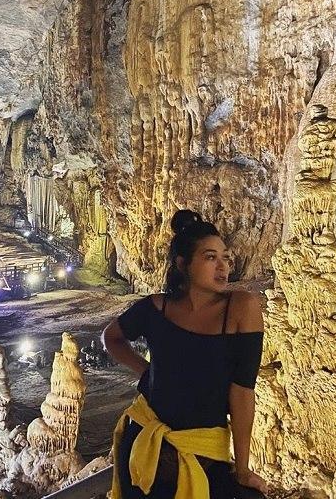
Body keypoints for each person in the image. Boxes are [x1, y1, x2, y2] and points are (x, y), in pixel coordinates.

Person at [102, 210, 268, 499]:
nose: (223, 266)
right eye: (210, 257)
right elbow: (111, 337)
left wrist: (242, 468)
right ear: (183, 264)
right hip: (145, 441)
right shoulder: (156, 308)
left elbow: (243, 391)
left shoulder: (241, 307)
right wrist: (146, 372)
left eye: (226, 257)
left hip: (202, 449)